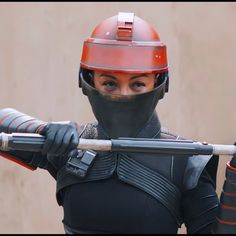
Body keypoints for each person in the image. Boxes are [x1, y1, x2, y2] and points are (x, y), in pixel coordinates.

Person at [0, 12, 236, 234]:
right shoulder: (72, 147)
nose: (123, 95)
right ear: (87, 81)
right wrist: (45, 130)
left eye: (137, 84)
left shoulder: (185, 161)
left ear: (160, 84)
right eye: (110, 83)